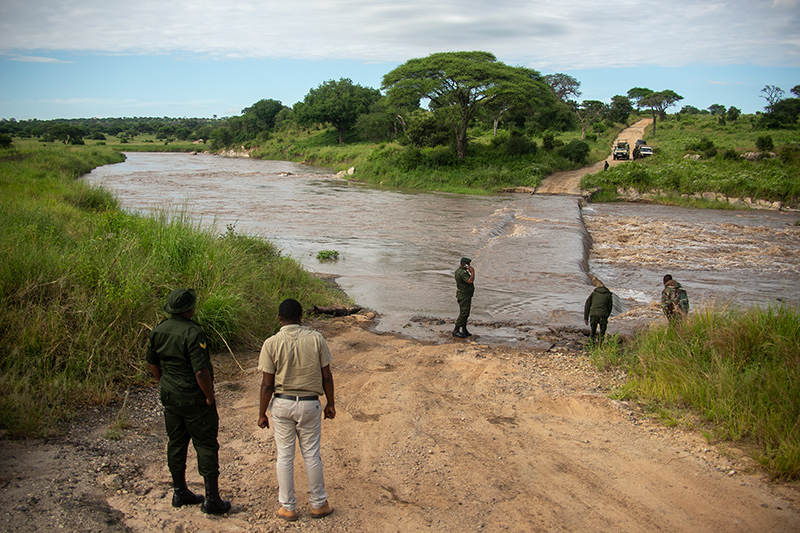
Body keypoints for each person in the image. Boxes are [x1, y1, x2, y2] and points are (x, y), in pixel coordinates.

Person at [145, 288, 231, 515]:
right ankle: (212, 499)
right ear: (188, 309)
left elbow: (152, 361)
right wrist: (209, 396)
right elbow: (200, 371)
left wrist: (163, 382)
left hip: (170, 395)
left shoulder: (158, 330)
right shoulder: (193, 333)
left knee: (176, 442)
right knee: (205, 444)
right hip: (193, 397)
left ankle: (179, 490)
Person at [258, 298, 336, 522]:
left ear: (279, 318)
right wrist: (330, 403)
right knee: (311, 454)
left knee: (284, 456)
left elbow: (267, 385)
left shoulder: (271, 343)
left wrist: (262, 413)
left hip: (282, 404)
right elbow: (327, 376)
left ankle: (288, 507)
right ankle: (318, 504)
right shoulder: (316, 339)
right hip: (310, 403)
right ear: (302, 317)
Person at [453, 257, 475, 338]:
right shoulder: (462, 273)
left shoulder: (460, 271)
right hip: (464, 295)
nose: (469, 266)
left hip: (465, 295)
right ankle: (456, 330)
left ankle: (464, 329)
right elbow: (470, 281)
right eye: (468, 264)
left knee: (465, 313)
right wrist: (472, 272)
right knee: (464, 313)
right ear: (465, 264)